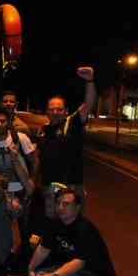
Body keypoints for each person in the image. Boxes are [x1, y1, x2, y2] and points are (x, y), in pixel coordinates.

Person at [0, 108, 37, 263]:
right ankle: (5, 258)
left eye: (2, 121)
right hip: (0, 192)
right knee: (2, 227)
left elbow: (34, 161)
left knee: (25, 228)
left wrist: (32, 183)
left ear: (8, 123)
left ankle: (25, 260)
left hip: (22, 189)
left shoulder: (20, 138)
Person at [36, 67, 96, 219]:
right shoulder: (42, 130)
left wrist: (89, 81)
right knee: (51, 223)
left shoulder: (72, 122)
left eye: (59, 109)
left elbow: (88, 103)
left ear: (65, 111)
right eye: (52, 109)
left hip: (72, 186)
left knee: (72, 224)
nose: (55, 112)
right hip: (49, 186)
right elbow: (38, 158)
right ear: (47, 112)